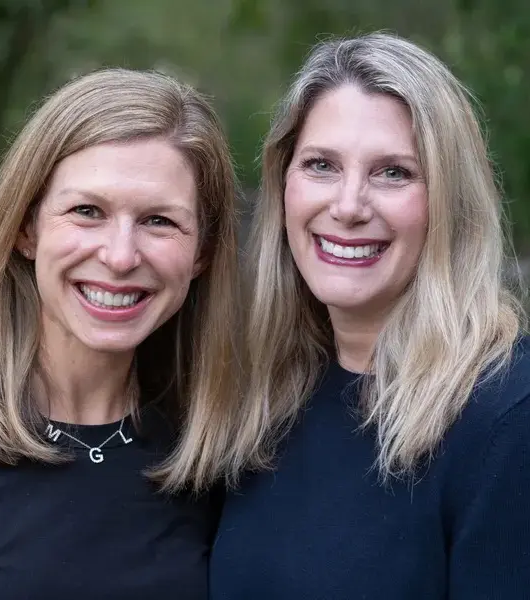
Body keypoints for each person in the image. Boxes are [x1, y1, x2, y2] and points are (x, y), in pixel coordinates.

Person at [210, 32, 530, 599]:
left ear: (450, 202)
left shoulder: (506, 416)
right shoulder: (263, 398)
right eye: (321, 165)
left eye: (394, 173)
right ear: (284, 182)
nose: (349, 205)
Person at [0, 68, 240, 599]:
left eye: (159, 221)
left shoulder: (219, 455)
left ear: (202, 254)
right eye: (87, 211)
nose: (120, 256)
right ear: (25, 229)